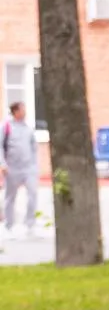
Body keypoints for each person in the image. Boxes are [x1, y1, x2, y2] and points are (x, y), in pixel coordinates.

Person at [2, 101, 38, 239]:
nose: (25, 112)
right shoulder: (6, 127)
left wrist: (35, 166)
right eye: (22, 109)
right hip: (11, 168)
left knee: (33, 194)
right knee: (10, 197)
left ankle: (30, 225)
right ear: (15, 112)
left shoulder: (28, 128)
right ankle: (8, 225)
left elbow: (34, 148)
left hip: (28, 169)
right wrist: (2, 164)